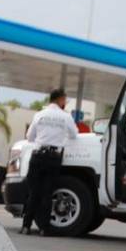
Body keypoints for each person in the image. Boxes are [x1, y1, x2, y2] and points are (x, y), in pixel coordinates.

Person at [21, 88, 79, 234]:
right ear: (60, 100)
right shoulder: (65, 117)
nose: (65, 103)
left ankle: (26, 226)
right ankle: (43, 228)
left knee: (33, 192)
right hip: (53, 158)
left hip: (38, 156)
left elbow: (29, 137)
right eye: (65, 100)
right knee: (47, 193)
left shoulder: (39, 115)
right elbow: (74, 134)